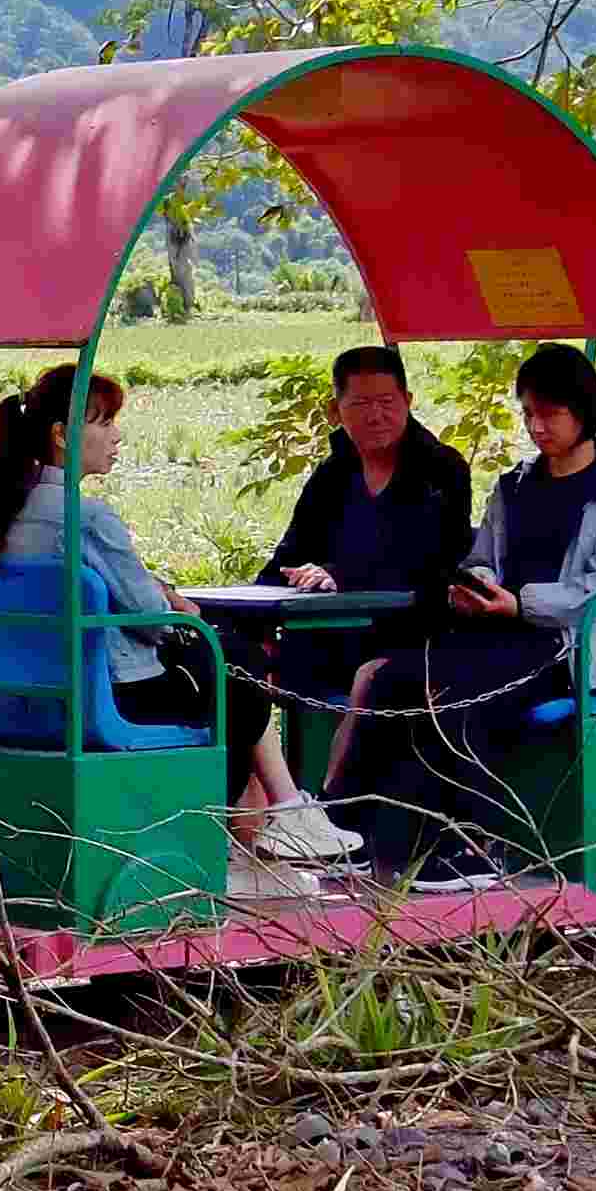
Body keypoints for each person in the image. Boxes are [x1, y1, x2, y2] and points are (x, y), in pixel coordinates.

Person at [332, 342, 596, 874]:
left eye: (550, 414)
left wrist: (520, 603)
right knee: (393, 679)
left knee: (460, 696)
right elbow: (483, 554)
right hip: (503, 631)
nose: (538, 427)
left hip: (576, 644)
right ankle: (354, 827)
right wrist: (480, 584)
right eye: (529, 414)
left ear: (585, 411)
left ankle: (470, 845)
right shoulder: (515, 484)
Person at [229, 345, 468, 869]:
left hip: (409, 634)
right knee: (233, 665)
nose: (376, 415)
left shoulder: (441, 470)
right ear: (337, 410)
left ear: (408, 400)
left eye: (387, 401)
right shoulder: (332, 476)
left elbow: (431, 565)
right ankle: (252, 829)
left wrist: (342, 577)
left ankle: (332, 817)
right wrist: (270, 593)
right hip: (325, 634)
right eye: (360, 404)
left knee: (371, 675)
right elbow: (288, 558)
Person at [0, 362, 203, 732]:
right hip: (113, 693)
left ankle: (277, 793)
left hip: (24, 699)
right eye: (104, 423)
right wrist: (177, 607)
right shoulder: (86, 518)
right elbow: (152, 619)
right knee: (240, 686)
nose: (117, 436)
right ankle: (279, 792)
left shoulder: (3, 515)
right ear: (61, 434)